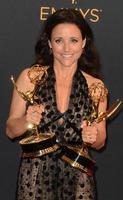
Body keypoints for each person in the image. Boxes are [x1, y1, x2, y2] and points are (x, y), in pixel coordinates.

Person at [6, 8, 108, 200]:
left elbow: (101, 141)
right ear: (50, 43)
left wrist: (92, 136)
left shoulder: (96, 86)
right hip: (34, 177)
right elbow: (10, 130)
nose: (67, 49)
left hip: (79, 177)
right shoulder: (30, 78)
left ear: (84, 43)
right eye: (59, 40)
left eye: (74, 40)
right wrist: (27, 121)